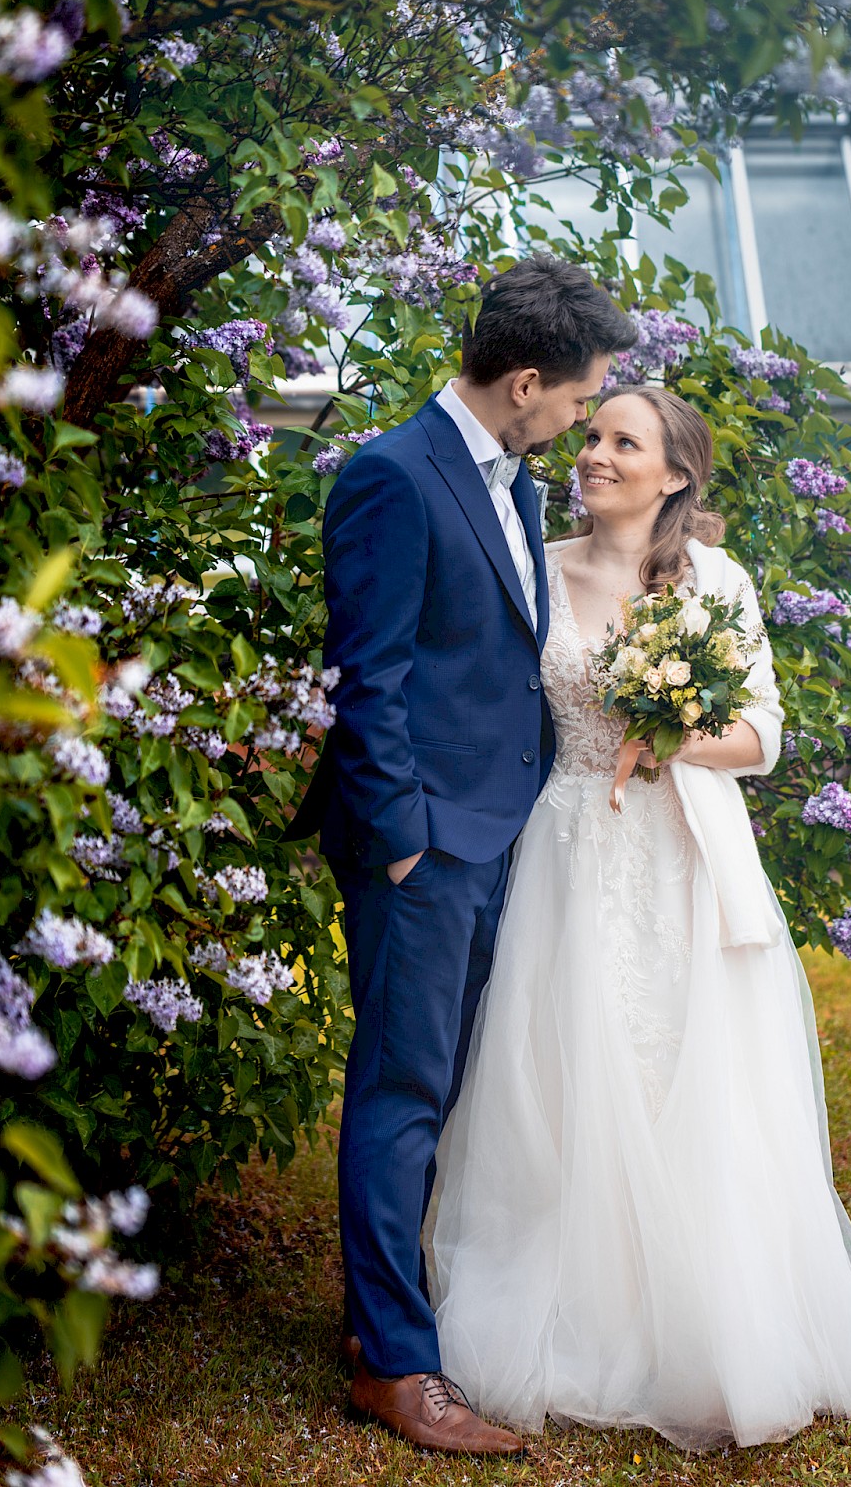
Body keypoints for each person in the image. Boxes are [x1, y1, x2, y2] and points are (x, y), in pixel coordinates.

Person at [429, 384, 851, 1450]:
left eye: (619, 443)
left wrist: (674, 734)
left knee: (689, 1077)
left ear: (673, 474)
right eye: (590, 437)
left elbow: (764, 735)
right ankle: (573, 1310)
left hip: (684, 854)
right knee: (557, 1077)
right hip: (565, 846)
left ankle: (705, 1318)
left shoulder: (714, 580)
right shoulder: (536, 571)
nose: (592, 455)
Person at [289, 256, 637, 1454]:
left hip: (503, 833)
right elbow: (367, 680)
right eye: (581, 397)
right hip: (426, 846)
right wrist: (401, 850)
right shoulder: (392, 474)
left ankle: (384, 1316)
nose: (585, 420)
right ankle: (393, 1367)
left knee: (452, 1092)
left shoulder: (515, 480)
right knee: (400, 1092)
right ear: (527, 380)